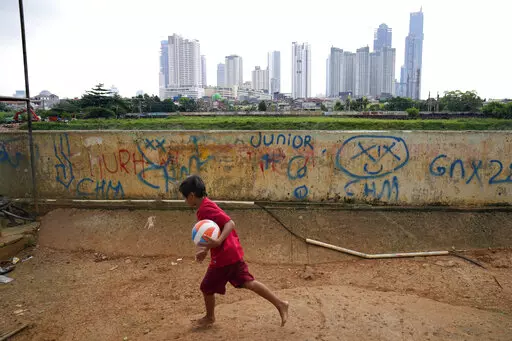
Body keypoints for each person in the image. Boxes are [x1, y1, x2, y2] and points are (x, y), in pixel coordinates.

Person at [179, 175, 289, 327]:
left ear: (191, 195)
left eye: (185, 198)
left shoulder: (206, 208)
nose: (185, 201)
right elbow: (212, 233)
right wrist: (205, 249)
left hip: (224, 257)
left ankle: (210, 318)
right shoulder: (205, 206)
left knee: (206, 287)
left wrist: (217, 242)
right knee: (248, 282)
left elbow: (230, 223)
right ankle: (280, 304)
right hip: (232, 253)